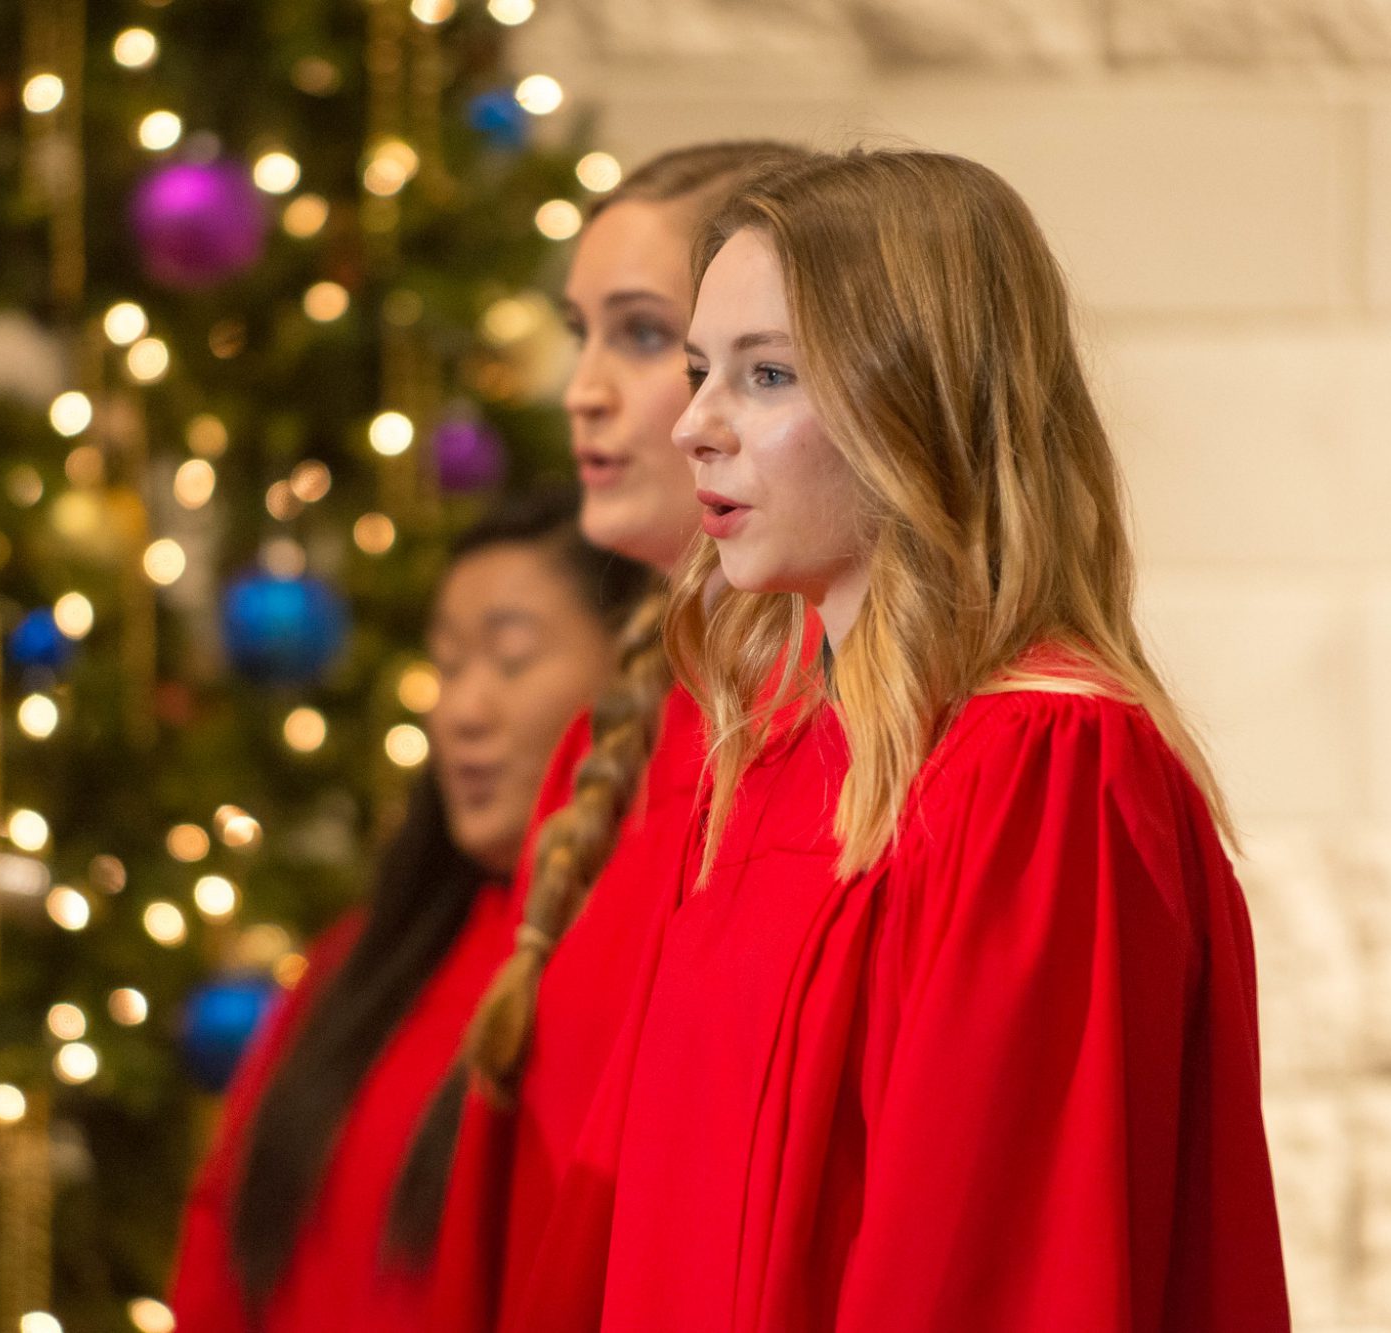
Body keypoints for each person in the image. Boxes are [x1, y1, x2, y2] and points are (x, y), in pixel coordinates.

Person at [520, 147, 1290, 1330]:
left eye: (765, 374)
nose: (693, 426)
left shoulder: (1041, 773)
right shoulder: (768, 768)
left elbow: (998, 1275)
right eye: (695, 370)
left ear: (916, 402)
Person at [385, 142, 816, 1333]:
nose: (582, 388)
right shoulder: (611, 751)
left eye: (642, 339)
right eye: (581, 333)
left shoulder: (842, 755)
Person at [167, 490, 646, 1332]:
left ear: (632, 674)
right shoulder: (356, 959)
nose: (459, 709)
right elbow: (219, 1238)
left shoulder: (639, 975)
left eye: (509, 658)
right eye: (449, 664)